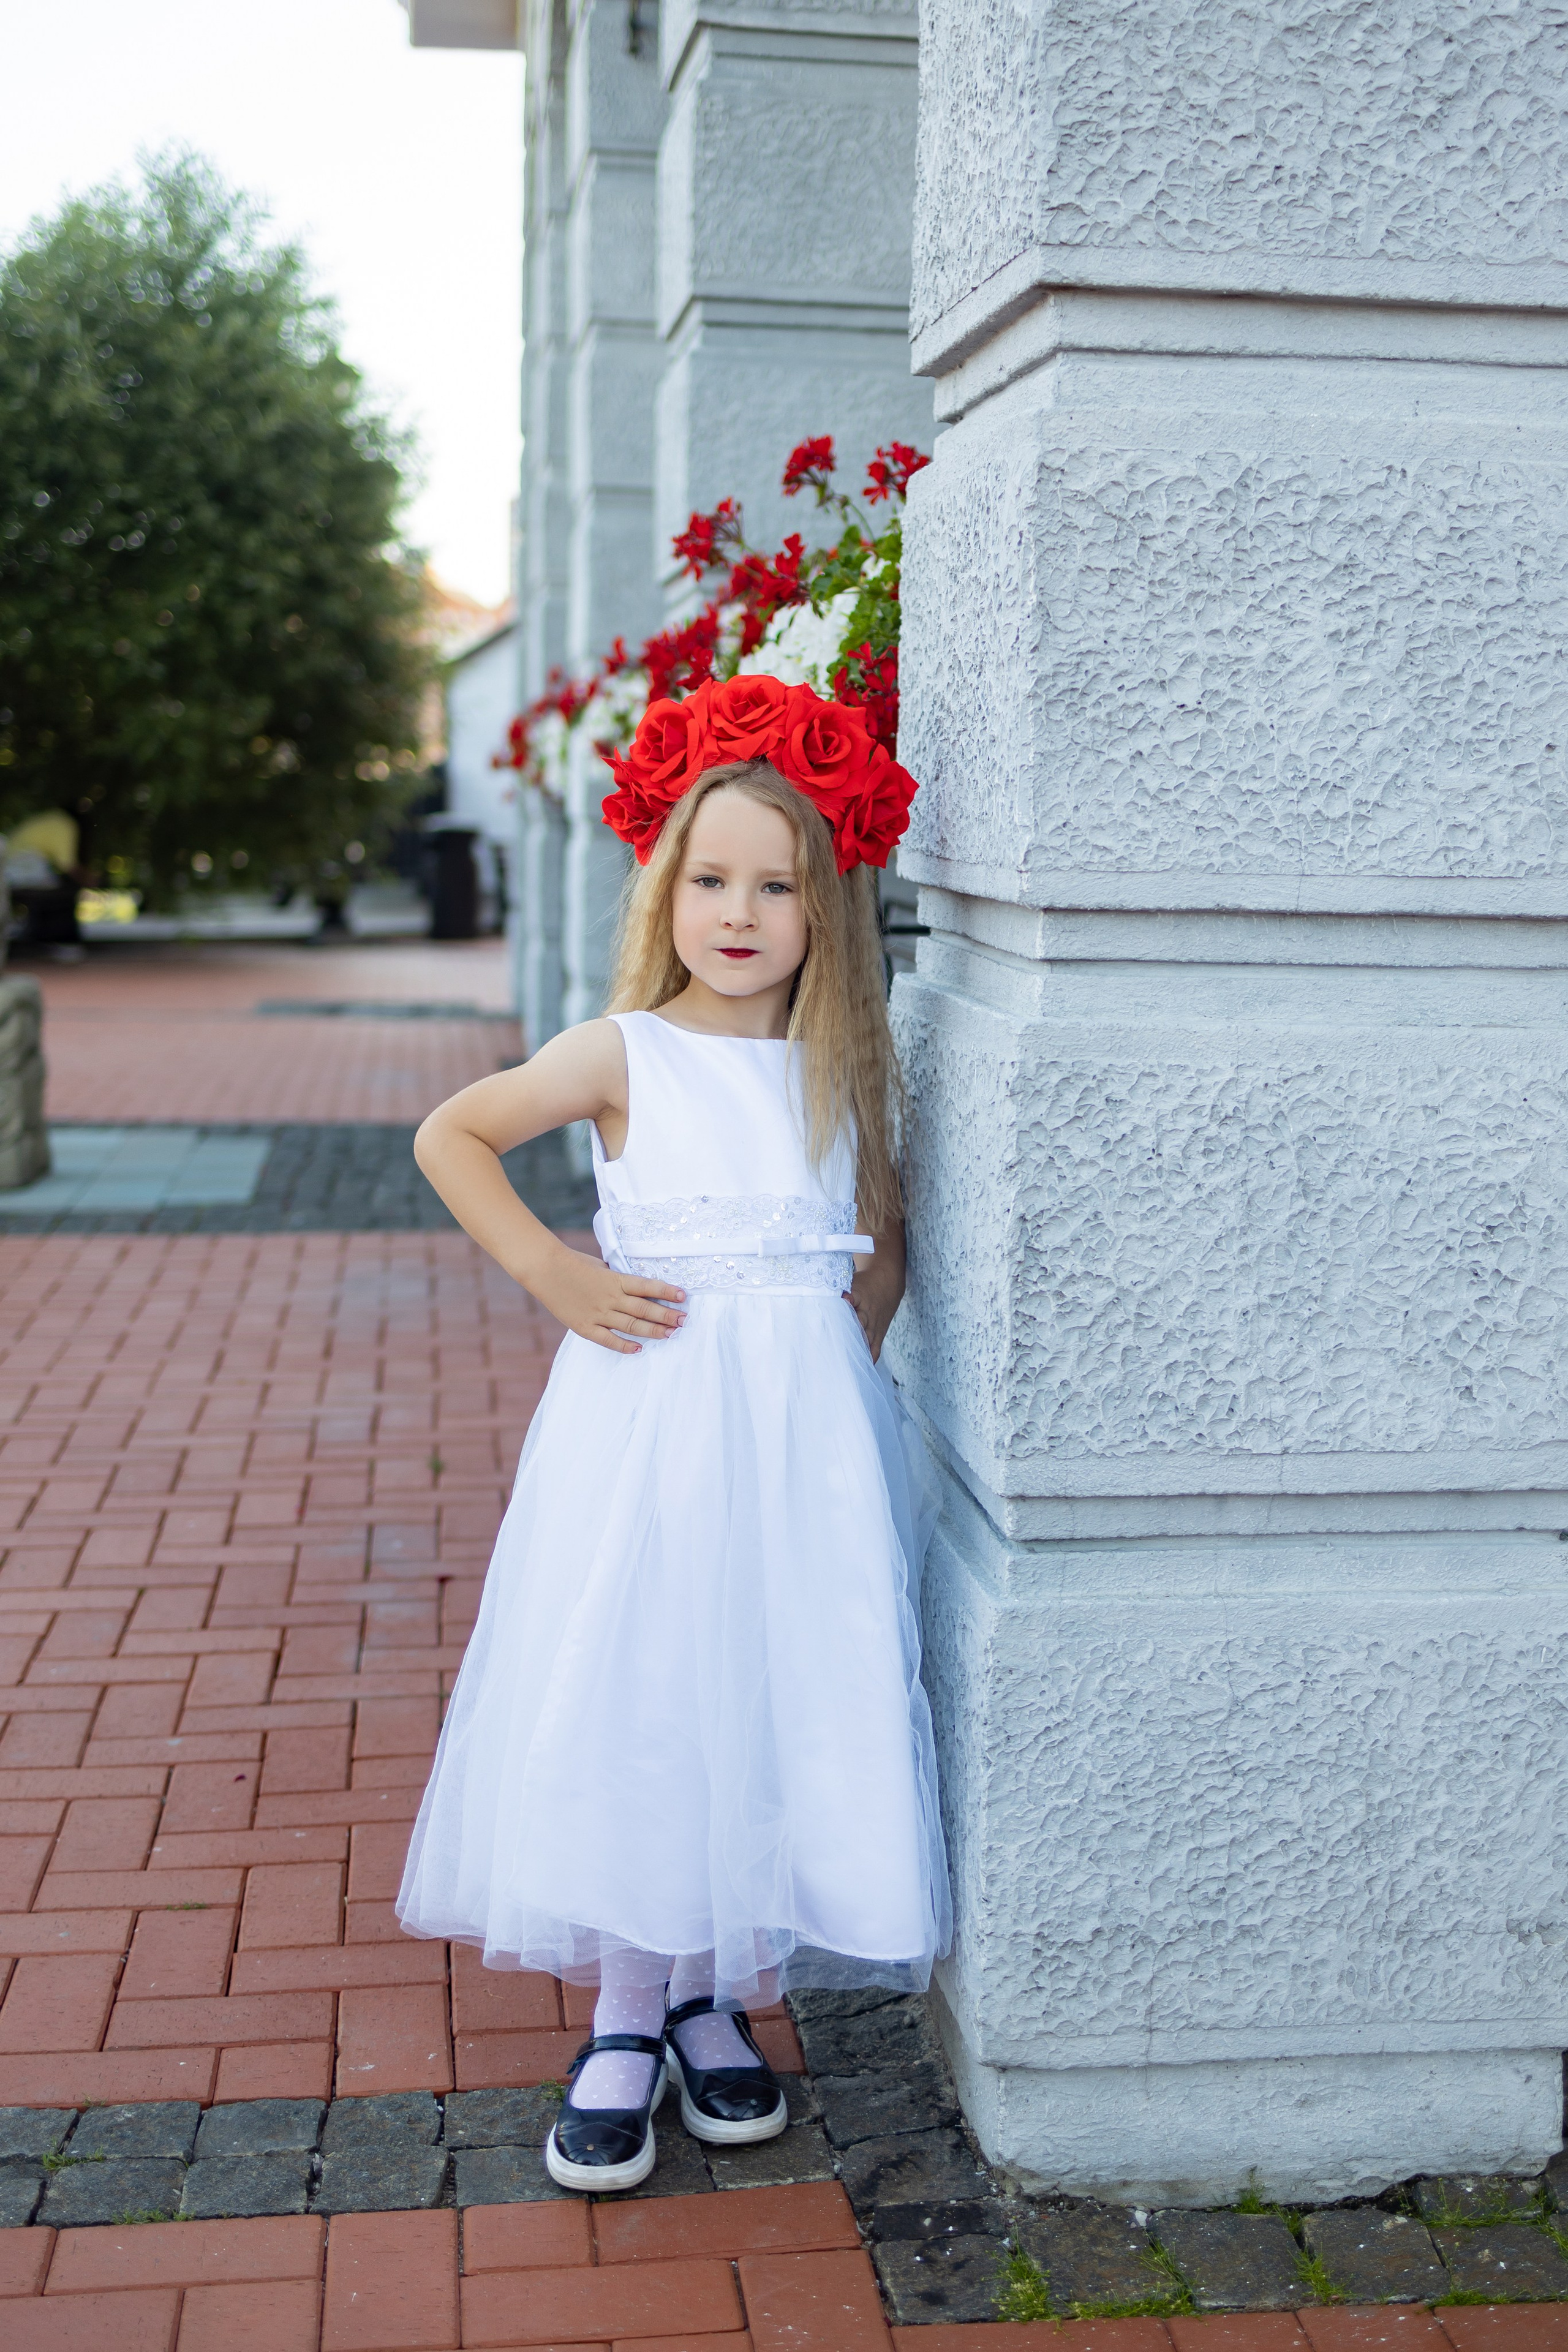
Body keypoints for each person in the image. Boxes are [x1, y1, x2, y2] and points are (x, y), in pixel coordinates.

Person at [397, 669, 951, 2193]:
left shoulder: (843, 1069)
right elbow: (453, 1134)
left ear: (825, 907)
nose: (739, 912)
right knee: (650, 1687)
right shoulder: (624, 1052)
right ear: (665, 889)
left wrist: (826, 1384)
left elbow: (878, 1248)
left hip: (798, 1454)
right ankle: (627, 2013)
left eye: (775, 885)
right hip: (647, 1442)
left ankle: (714, 1991)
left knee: (763, 1689)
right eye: (710, 879)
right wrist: (555, 1274)